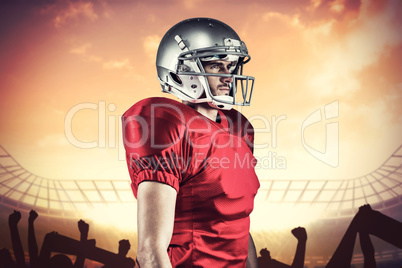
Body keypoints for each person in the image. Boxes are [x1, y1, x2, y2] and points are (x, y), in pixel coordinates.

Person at [122, 17, 260, 267]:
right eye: (216, 66)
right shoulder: (167, 123)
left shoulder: (239, 128)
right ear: (181, 71)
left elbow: (236, 225)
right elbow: (151, 251)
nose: (228, 76)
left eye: (230, 66)